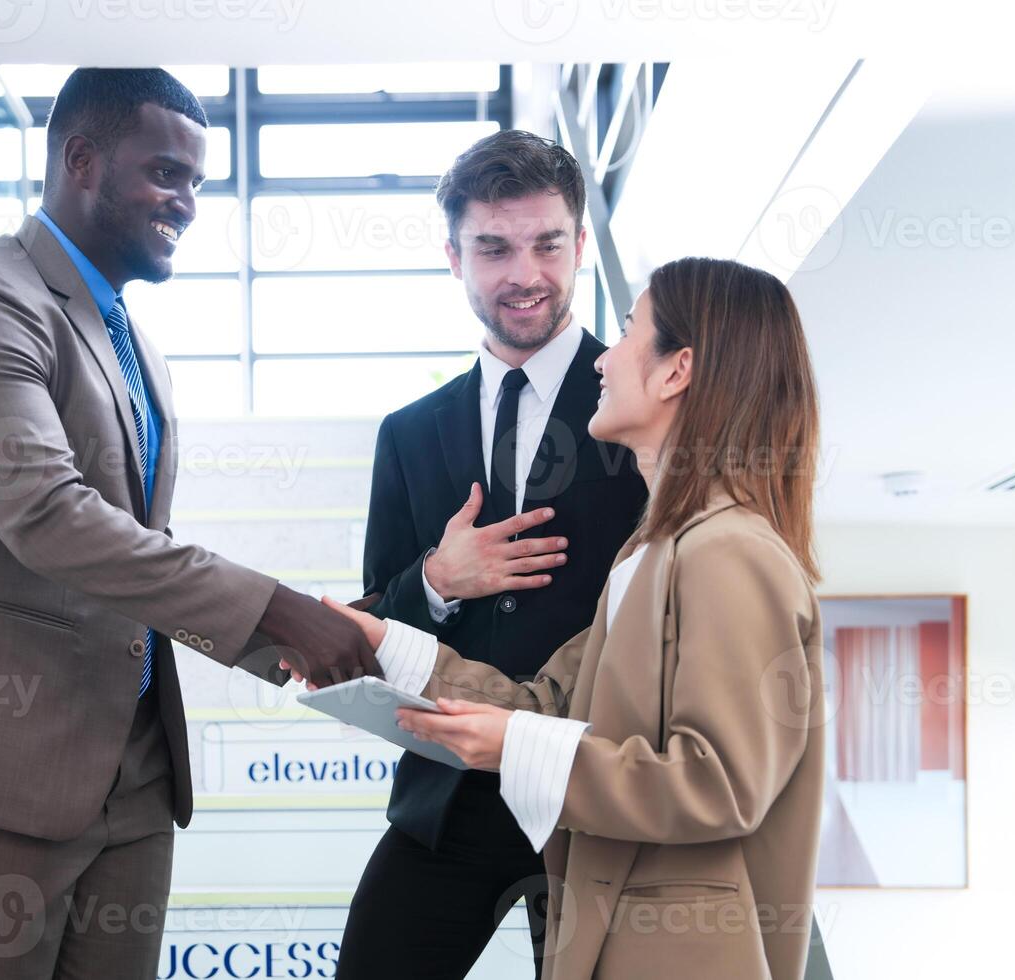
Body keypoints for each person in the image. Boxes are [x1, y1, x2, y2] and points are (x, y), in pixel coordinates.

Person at [0, 68, 377, 979]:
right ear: (79, 159)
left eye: (198, 183)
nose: (189, 203)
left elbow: (142, 554)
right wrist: (279, 612)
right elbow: (48, 517)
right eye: (168, 174)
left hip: (130, 781)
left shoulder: (138, 347)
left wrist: (292, 640)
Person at [318, 256, 827, 979]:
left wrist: (516, 747)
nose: (603, 358)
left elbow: (718, 785)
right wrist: (386, 642)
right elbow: (545, 705)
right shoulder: (653, 554)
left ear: (675, 371)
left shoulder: (727, 552)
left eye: (626, 333)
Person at [334, 130, 646, 980]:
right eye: (493, 248)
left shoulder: (645, 406)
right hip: (448, 796)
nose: (524, 274)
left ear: (580, 244)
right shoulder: (408, 434)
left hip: (590, 797)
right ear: (454, 255)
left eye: (548, 243)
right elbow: (373, 621)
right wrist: (438, 580)